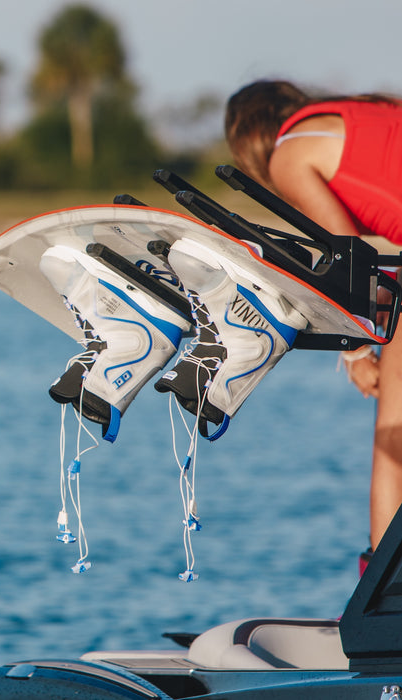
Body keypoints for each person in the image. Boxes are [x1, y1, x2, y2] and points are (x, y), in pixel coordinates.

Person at [224, 79, 402, 554]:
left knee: (393, 440)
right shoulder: (364, 112)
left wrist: (358, 354)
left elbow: (351, 264)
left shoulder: (288, 155)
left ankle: (382, 583)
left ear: (251, 145)